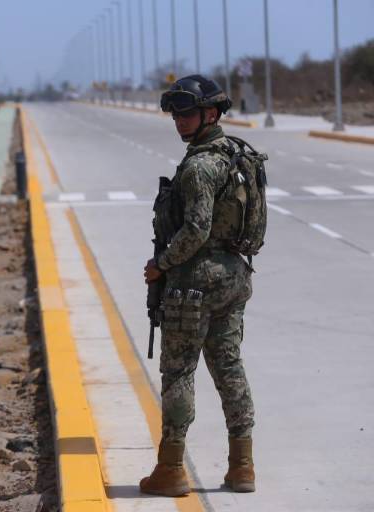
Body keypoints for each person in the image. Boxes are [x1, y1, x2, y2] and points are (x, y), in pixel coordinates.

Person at [141, 74, 261, 496]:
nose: (180, 121)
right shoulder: (236, 155)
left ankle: (171, 469)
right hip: (233, 276)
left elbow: (195, 230)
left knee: (178, 373)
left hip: (193, 283)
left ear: (211, 114)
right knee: (229, 368)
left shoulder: (198, 167)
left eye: (188, 114)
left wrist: (161, 265)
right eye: (176, 114)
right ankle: (242, 467)